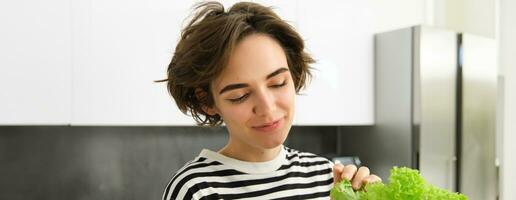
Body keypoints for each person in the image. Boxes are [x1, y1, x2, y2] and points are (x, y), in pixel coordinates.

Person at [159, 1, 381, 199]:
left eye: (278, 83)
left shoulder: (326, 177)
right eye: (240, 96)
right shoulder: (196, 189)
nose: (267, 108)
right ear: (207, 102)